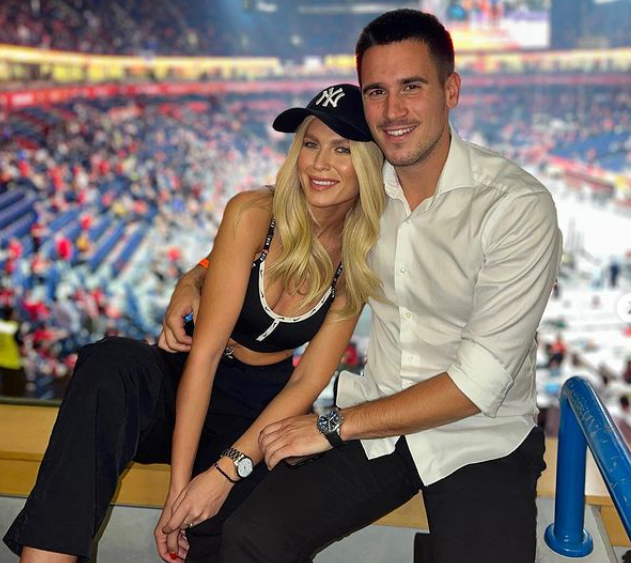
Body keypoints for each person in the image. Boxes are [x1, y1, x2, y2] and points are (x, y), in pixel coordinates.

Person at [166, 10, 563, 563]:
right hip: (376, 423)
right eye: (377, 91)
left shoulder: (515, 206)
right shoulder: (360, 189)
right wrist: (198, 276)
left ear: (451, 90)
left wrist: (332, 426)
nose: (393, 110)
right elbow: (270, 219)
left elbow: (479, 383)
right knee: (251, 535)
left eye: (411, 87)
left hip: (480, 432)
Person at [3, 83, 385, 563]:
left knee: (236, 530)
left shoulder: (360, 254)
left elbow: (307, 380)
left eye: (342, 149)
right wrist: (178, 493)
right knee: (109, 363)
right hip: (189, 380)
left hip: (260, 411)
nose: (319, 163)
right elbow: (202, 356)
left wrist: (224, 472)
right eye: (311, 144)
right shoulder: (252, 213)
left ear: (369, 163)